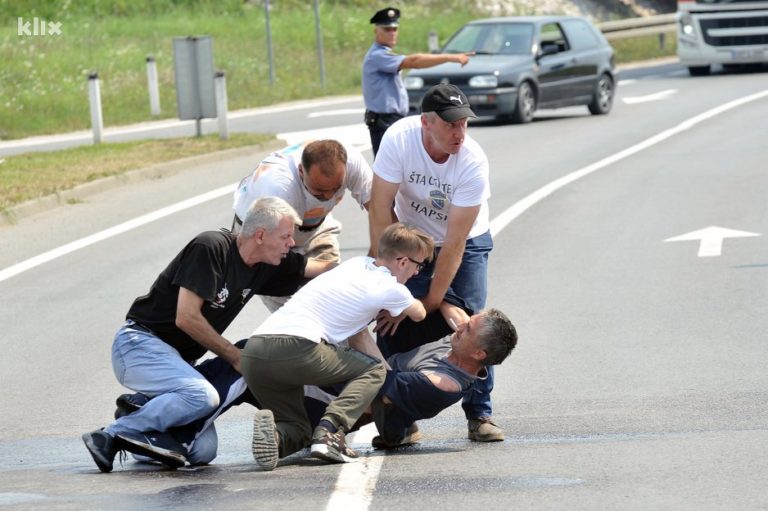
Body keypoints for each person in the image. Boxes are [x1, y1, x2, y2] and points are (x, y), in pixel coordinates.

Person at [81, 197, 335, 473]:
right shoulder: (212, 246)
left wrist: (370, 264)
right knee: (203, 397)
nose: (291, 243)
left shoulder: (266, 265)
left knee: (204, 451)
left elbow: (321, 268)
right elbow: (186, 317)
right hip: (139, 344)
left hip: (178, 363)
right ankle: (110, 434)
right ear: (260, 235)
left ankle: (145, 411)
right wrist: (233, 356)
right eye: (286, 236)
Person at [110, 307, 517, 465]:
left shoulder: (443, 383)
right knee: (247, 366)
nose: (460, 325)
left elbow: (380, 384)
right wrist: (447, 305)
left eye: (468, 328)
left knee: (251, 361)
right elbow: (445, 306)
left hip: (326, 401)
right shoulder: (455, 349)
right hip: (330, 385)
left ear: (479, 355)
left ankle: (169, 426)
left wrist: (358, 333)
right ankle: (161, 408)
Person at [368, 83, 503, 443]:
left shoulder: (472, 160)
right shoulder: (399, 139)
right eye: (450, 124)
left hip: (465, 241)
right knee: (388, 311)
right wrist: (389, 270)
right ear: (426, 122)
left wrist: (432, 300)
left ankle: (479, 413)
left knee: (472, 322)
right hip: (413, 237)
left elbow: (455, 242)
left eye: (464, 124)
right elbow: (381, 207)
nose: (459, 133)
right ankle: (401, 416)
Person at [242, 222, 433, 470]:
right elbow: (419, 313)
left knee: (298, 428)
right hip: (297, 347)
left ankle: (275, 439)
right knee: (372, 370)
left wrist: (390, 377)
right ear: (404, 262)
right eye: (419, 265)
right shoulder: (389, 287)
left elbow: (358, 338)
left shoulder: (354, 266)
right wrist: (400, 307)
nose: (417, 273)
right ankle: (330, 431)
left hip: (254, 353)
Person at [232, 139, 372, 312]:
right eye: (320, 190)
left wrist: (378, 263)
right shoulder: (278, 187)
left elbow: (380, 209)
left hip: (313, 224)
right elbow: (275, 249)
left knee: (338, 305)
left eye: (336, 188)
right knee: (300, 314)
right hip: (263, 240)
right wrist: (326, 268)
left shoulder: (350, 162)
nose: (329, 196)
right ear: (300, 172)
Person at [362, 7, 473, 157]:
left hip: (390, 119)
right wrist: (450, 57)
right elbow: (414, 61)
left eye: (395, 28)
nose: (392, 32)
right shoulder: (377, 56)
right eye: (387, 29)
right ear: (376, 31)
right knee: (392, 169)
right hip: (385, 121)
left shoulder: (383, 54)